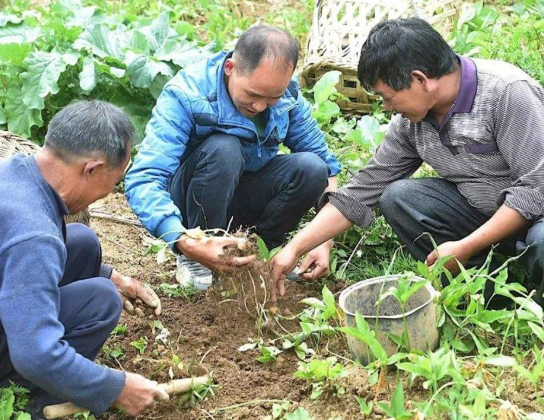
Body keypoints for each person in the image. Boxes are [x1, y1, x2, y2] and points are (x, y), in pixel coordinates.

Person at [271, 18, 544, 304]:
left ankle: (534, 305)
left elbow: (534, 191)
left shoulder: (507, 93)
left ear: (420, 80)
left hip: (537, 213)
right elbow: (363, 190)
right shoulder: (411, 122)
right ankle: (488, 297)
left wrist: (465, 245)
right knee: (400, 198)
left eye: (388, 98)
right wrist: (297, 247)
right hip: (486, 212)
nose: (387, 108)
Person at [0, 101, 168, 420]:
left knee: (82, 243)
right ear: (92, 169)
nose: (109, 193)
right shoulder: (30, 233)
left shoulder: (13, 171)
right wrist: (115, 388)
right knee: (100, 301)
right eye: (113, 183)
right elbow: (35, 355)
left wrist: (113, 276)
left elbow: (15, 257)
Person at [125, 25, 341, 291]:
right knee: (224, 149)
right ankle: (200, 257)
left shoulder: (288, 98)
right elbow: (145, 177)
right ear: (230, 68)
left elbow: (327, 167)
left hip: (243, 194)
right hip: (194, 200)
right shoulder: (187, 94)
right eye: (253, 95)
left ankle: (258, 250)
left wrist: (323, 238)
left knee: (312, 168)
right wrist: (184, 241)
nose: (260, 106)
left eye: (271, 98)